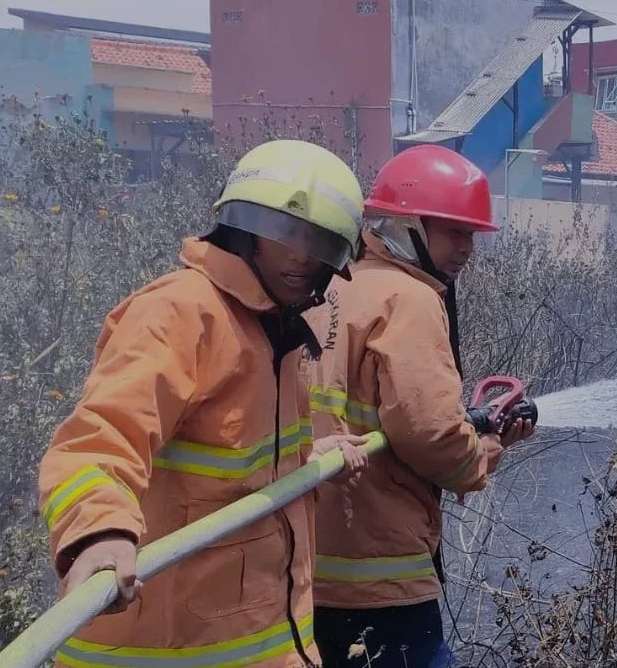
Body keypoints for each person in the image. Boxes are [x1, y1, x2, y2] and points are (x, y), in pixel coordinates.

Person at [37, 139, 371, 668]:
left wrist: (308, 459)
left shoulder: (274, 333)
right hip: (164, 652)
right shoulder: (178, 313)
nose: (302, 257)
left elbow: (230, 469)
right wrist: (99, 534)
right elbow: (97, 441)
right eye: (284, 233)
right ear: (240, 229)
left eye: (320, 244)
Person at [303, 144, 535, 668]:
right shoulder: (409, 299)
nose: (467, 247)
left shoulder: (334, 288)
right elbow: (428, 432)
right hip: (382, 576)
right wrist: (484, 453)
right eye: (454, 231)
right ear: (407, 225)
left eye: (472, 234)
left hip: (310, 572)